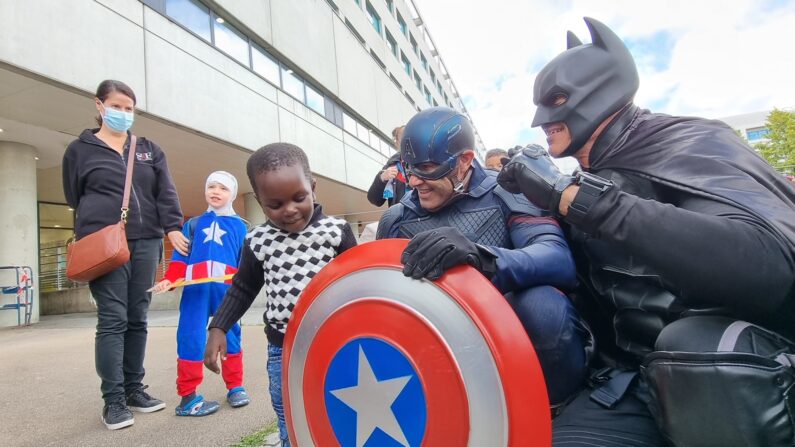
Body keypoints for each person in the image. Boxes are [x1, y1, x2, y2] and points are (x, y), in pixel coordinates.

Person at [498, 17, 795, 447]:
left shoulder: (690, 141)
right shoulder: (589, 175)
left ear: (601, 89)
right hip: (632, 383)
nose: (540, 119)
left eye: (557, 99)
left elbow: (768, 267)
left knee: (696, 343)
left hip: (741, 380)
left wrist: (570, 195)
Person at [376, 106, 589, 407]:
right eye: (409, 168)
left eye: (427, 168)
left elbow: (557, 258)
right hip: (435, 342)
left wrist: (483, 258)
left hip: (504, 334)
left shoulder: (507, 192)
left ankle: (558, 413)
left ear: (464, 160)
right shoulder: (396, 219)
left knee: (543, 307)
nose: (413, 182)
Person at [204, 143, 358, 447]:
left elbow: (359, 283)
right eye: (275, 204)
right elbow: (243, 287)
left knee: (343, 405)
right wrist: (218, 326)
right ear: (260, 203)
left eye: (299, 198)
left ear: (312, 188)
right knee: (289, 411)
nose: (289, 210)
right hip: (283, 348)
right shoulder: (258, 240)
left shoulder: (335, 231)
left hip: (337, 343)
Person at [62, 79, 188, 430]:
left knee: (137, 317)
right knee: (113, 319)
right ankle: (113, 400)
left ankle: (134, 389)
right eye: (116, 106)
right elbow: (75, 195)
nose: (123, 113)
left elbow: (165, 191)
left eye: (129, 108)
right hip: (104, 243)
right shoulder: (80, 150)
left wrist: (172, 226)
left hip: (146, 241)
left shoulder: (148, 149)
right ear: (100, 106)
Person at [151, 171, 250, 416]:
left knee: (231, 336)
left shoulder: (241, 227)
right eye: (212, 186)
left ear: (233, 195)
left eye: (223, 188)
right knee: (190, 337)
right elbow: (179, 259)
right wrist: (169, 280)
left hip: (227, 293)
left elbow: (246, 264)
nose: (216, 192)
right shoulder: (192, 224)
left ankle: (235, 386)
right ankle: (188, 396)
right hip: (195, 292)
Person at [367, 125, 409, 207]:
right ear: (397, 143)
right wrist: (382, 178)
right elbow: (375, 200)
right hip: (401, 217)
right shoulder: (392, 166)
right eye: (403, 139)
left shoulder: (425, 160)